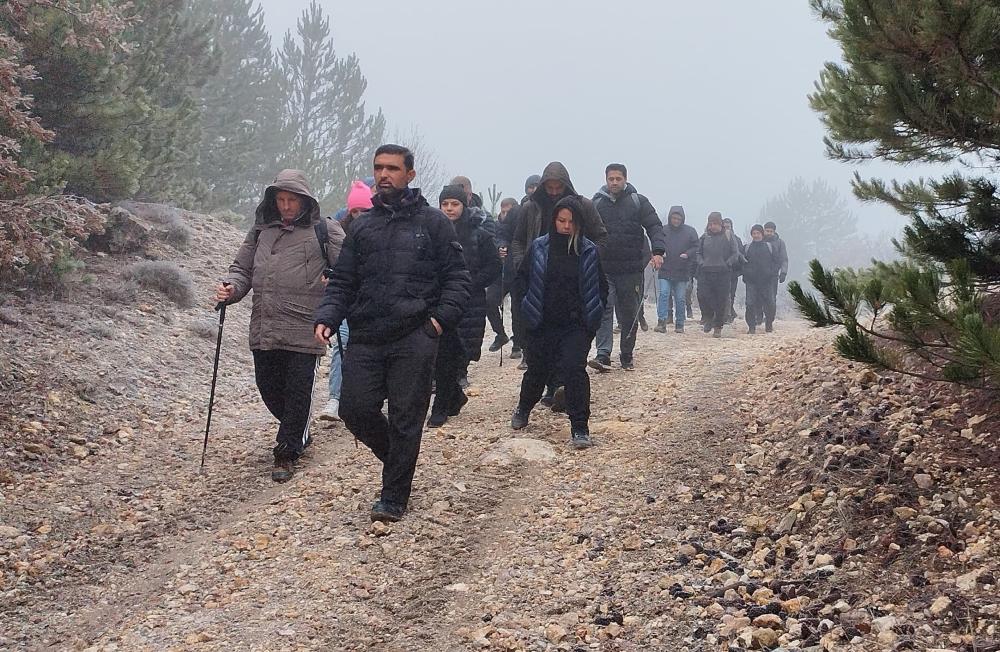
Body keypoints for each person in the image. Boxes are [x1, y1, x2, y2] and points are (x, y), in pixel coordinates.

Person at [314, 145, 471, 523]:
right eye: (378, 168)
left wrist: (436, 322)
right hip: (367, 335)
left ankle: (394, 495)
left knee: (405, 417)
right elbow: (344, 280)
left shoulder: (433, 223)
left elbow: (457, 279)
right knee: (355, 409)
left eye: (393, 169)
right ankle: (398, 459)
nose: (384, 175)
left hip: (414, 335)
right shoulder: (363, 225)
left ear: (410, 175)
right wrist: (328, 316)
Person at [216, 170, 345, 483]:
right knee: (269, 388)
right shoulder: (261, 230)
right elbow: (242, 269)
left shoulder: (324, 230)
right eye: (281, 200)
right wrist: (231, 289)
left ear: (305, 200)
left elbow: (350, 268)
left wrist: (337, 284)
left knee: (298, 390)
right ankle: (298, 430)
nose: (286, 206)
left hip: (306, 325)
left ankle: (286, 451)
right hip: (266, 324)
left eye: (292, 200)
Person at [510, 196, 608, 448]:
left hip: (576, 325)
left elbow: (601, 288)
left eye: (571, 222)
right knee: (537, 370)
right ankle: (523, 407)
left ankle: (580, 427)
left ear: (579, 224)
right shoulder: (539, 248)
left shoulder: (588, 251)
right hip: (542, 323)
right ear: (553, 220)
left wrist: (591, 322)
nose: (566, 226)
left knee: (574, 370)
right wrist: (525, 315)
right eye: (561, 220)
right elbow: (521, 282)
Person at [429, 185, 502, 427]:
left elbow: (494, 267)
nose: (449, 208)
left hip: (470, 304)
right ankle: (444, 403)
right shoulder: (431, 231)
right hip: (440, 302)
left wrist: (472, 283)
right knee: (441, 355)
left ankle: (450, 399)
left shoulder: (479, 235)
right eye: (445, 204)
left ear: (464, 206)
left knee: (460, 355)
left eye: (455, 204)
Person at [587, 164, 665, 372]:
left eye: (618, 179)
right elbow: (586, 232)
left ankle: (627, 354)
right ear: (606, 179)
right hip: (603, 267)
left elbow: (655, 226)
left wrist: (658, 251)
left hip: (631, 268)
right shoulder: (596, 203)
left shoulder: (638, 201)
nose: (614, 182)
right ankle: (603, 354)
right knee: (604, 309)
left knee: (629, 312)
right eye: (611, 179)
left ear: (625, 179)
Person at [320, 179, 373, 422]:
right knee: (342, 344)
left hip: (372, 302)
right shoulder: (336, 230)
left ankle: (367, 396)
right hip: (345, 299)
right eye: (356, 210)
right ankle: (335, 398)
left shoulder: (383, 230)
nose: (360, 215)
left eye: (365, 210)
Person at [508, 174, 541, 365]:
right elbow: (510, 235)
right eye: (530, 186)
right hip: (521, 270)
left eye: (537, 186)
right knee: (521, 313)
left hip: (544, 269)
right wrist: (519, 261)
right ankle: (523, 350)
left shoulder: (550, 209)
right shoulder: (519, 211)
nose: (533, 190)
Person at [655, 205, 699, 333]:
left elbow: (696, 247)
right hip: (665, 269)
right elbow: (656, 243)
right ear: (670, 218)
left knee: (680, 298)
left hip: (682, 270)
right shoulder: (662, 230)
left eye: (678, 218)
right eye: (673, 218)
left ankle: (680, 324)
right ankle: (661, 322)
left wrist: (688, 254)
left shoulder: (690, 232)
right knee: (663, 294)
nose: (676, 221)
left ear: (682, 219)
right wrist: (659, 252)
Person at [696, 212, 739, 338]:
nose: (713, 226)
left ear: (720, 224)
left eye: (715, 223)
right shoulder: (704, 237)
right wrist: (701, 263)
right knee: (703, 297)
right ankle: (708, 318)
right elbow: (698, 253)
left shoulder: (729, 236)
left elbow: (735, 253)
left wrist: (728, 263)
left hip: (723, 273)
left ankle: (718, 326)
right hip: (706, 272)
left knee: (721, 300)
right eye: (710, 224)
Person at [486, 197, 519, 352]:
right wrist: (500, 247)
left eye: (508, 211)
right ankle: (500, 334)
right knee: (489, 301)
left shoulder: (520, 225)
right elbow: (495, 240)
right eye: (503, 211)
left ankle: (518, 343)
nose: (505, 214)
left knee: (517, 309)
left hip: (518, 272)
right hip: (501, 272)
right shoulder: (496, 225)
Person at [742, 224, 780, 334]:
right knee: (750, 304)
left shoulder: (770, 247)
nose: (756, 235)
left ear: (762, 234)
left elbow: (776, 262)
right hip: (751, 281)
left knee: (770, 303)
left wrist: (772, 274)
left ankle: (769, 324)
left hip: (767, 281)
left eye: (758, 233)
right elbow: (742, 263)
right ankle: (751, 326)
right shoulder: (747, 248)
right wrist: (746, 274)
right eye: (754, 233)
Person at [762, 221, 789, 332]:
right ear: (764, 230)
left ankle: (769, 321)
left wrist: (783, 272)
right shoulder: (759, 240)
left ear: (774, 232)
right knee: (760, 299)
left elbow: (784, 259)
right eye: (767, 231)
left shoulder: (779, 243)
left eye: (771, 231)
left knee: (771, 299)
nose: (768, 233)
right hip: (759, 276)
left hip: (773, 276)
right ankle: (761, 317)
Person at [723, 217, 745, 323]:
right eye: (725, 227)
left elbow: (740, 255)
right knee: (722, 294)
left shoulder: (737, 240)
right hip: (721, 271)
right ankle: (727, 313)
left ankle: (730, 313)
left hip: (733, 272)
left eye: (728, 227)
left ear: (732, 227)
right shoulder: (718, 239)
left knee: (731, 294)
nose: (727, 229)